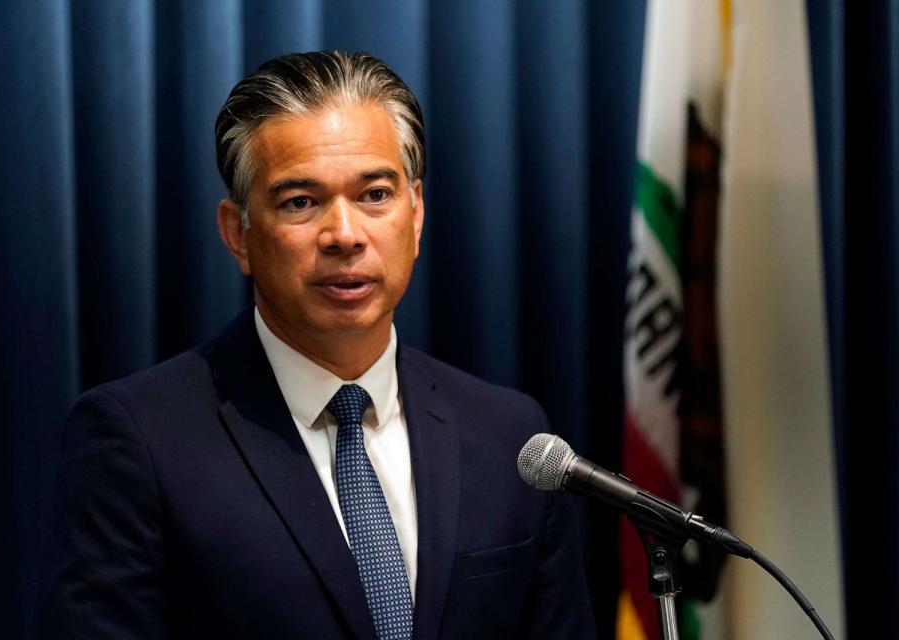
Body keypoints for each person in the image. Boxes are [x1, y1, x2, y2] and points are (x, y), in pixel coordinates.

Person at [36, 50, 595, 639]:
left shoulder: (509, 434)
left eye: (375, 194)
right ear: (238, 235)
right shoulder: (136, 442)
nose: (345, 236)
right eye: (300, 202)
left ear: (417, 213)